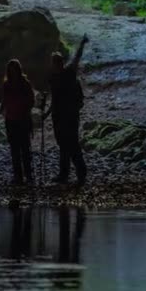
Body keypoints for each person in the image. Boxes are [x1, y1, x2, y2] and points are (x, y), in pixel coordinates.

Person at [46, 34, 89, 185]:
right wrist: (47, 113)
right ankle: (64, 174)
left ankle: (81, 173)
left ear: (61, 63)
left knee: (72, 144)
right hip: (58, 116)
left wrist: (82, 44)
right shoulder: (53, 78)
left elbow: (77, 57)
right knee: (63, 145)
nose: (55, 64)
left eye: (56, 62)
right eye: (53, 62)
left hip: (70, 116)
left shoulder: (69, 73)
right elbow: (55, 99)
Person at [0, 59, 35, 185]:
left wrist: (25, 110)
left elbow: (31, 101)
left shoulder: (25, 83)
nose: (12, 72)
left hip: (23, 120)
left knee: (25, 149)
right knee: (14, 149)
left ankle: (29, 175)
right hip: (11, 120)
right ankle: (18, 176)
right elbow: (4, 100)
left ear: (18, 70)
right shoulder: (6, 85)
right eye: (10, 70)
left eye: (14, 69)